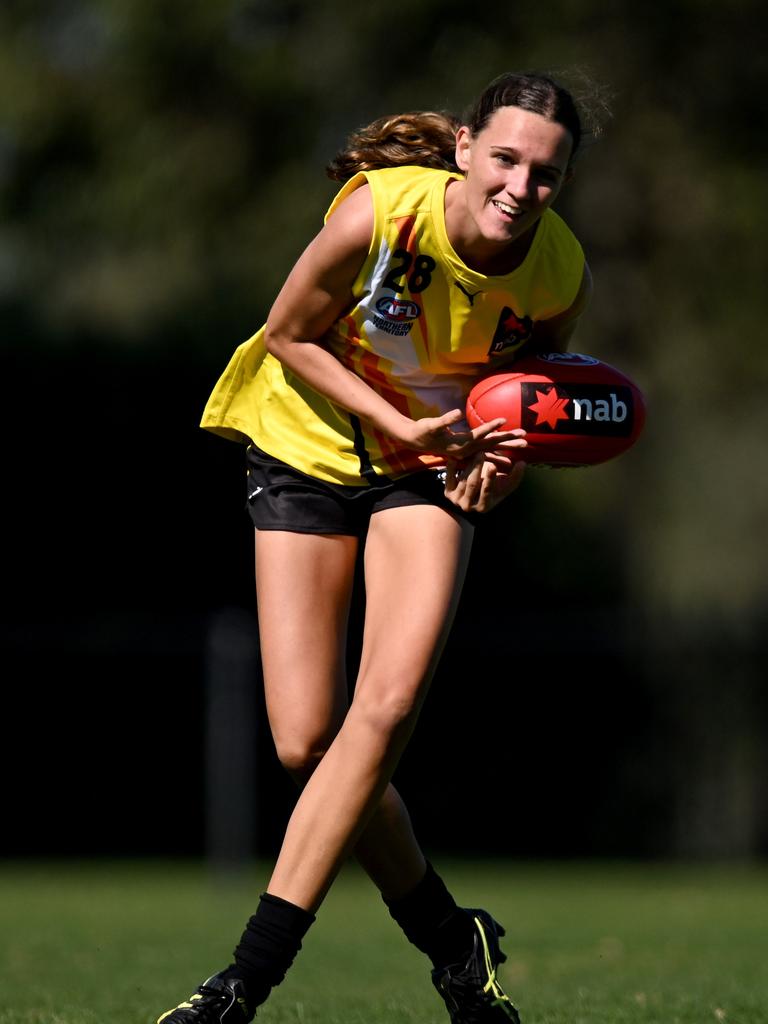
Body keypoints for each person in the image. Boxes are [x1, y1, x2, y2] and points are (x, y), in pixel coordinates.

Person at [156, 70, 596, 1024]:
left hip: (425, 473)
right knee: (307, 741)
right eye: (508, 159)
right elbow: (287, 332)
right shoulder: (380, 214)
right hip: (309, 438)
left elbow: (523, 399)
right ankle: (450, 937)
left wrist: (506, 464)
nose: (523, 187)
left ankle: (244, 982)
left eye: (548, 173)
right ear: (469, 149)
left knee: (383, 709)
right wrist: (401, 420)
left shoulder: (559, 269)